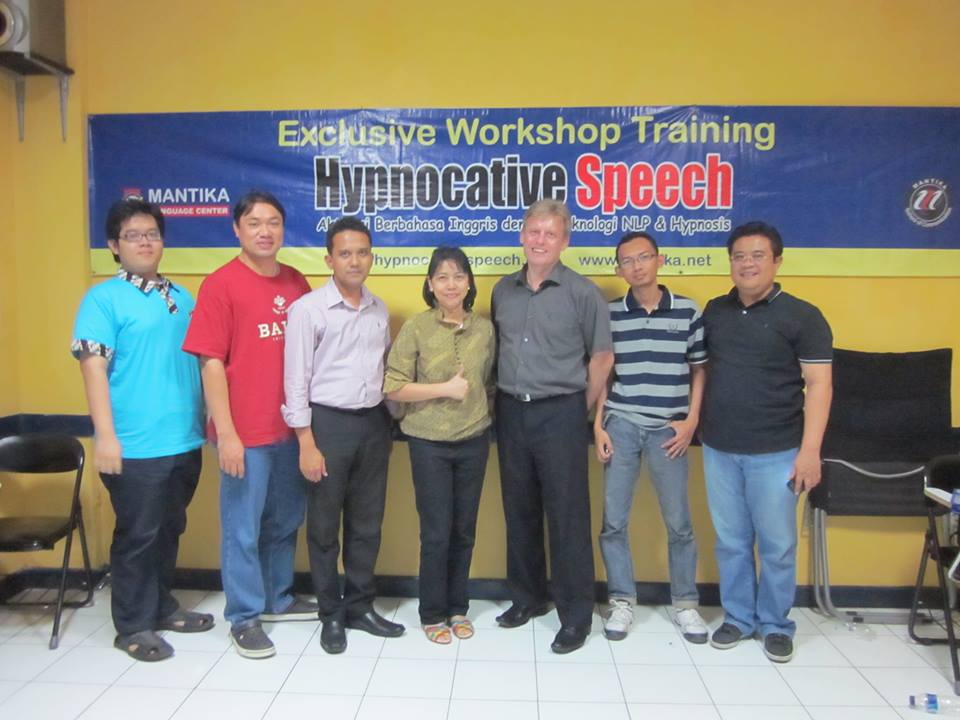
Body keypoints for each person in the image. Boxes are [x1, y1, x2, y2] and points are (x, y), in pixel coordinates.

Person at [72, 196, 209, 661]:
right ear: (114, 245)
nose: (145, 242)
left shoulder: (182, 297)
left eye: (152, 234)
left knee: (170, 528)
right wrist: (105, 437)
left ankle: (162, 607)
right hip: (133, 445)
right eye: (133, 235)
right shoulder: (103, 299)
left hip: (184, 438)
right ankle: (131, 626)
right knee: (138, 536)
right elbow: (92, 369)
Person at [183, 190, 315, 660]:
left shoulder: (296, 282)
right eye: (254, 223)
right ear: (236, 229)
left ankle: (278, 597)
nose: (265, 231)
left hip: (290, 431)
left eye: (273, 222)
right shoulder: (220, 285)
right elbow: (210, 363)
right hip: (245, 435)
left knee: (284, 521)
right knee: (242, 529)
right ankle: (243, 616)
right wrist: (227, 434)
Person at [701, 220, 833, 663]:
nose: (747, 264)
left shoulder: (803, 316)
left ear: (777, 261)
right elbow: (701, 371)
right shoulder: (715, 311)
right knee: (731, 541)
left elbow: (820, 385)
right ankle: (738, 618)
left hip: (777, 450)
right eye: (739, 256)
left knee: (777, 545)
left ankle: (776, 624)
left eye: (758, 256)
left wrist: (810, 451)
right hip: (720, 447)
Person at [491, 199, 614, 654]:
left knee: (567, 517)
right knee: (518, 509)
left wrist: (577, 408)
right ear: (522, 235)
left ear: (565, 241)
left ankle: (576, 616)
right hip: (511, 411)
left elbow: (602, 357)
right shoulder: (503, 290)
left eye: (550, 233)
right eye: (534, 231)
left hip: (561, 413)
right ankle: (527, 598)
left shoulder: (583, 292)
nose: (540, 240)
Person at [282, 216, 403, 654]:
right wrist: (306, 442)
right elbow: (295, 380)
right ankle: (331, 614)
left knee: (367, 523)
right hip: (326, 426)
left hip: (373, 424)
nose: (355, 261)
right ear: (329, 259)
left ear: (372, 257)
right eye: (345, 253)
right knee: (324, 527)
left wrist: (397, 418)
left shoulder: (378, 309)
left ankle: (360, 606)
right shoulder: (308, 310)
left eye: (362, 252)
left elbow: (385, 369)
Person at [594, 231, 709, 643]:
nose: (636, 266)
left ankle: (686, 604)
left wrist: (692, 420)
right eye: (627, 260)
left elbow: (699, 369)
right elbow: (604, 372)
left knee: (679, 522)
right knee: (613, 521)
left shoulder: (688, 311)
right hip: (621, 424)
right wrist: (599, 424)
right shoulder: (610, 314)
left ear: (659, 260)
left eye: (643, 257)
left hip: (669, 430)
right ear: (618, 269)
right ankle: (622, 601)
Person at [384, 246, 495, 644]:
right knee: (436, 532)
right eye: (442, 277)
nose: (451, 284)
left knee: (464, 530)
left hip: (473, 440)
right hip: (428, 442)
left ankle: (457, 607)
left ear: (469, 283)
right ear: (430, 284)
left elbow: (489, 382)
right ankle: (432, 612)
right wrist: (444, 389)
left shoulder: (484, 329)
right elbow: (392, 386)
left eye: (459, 276)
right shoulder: (416, 327)